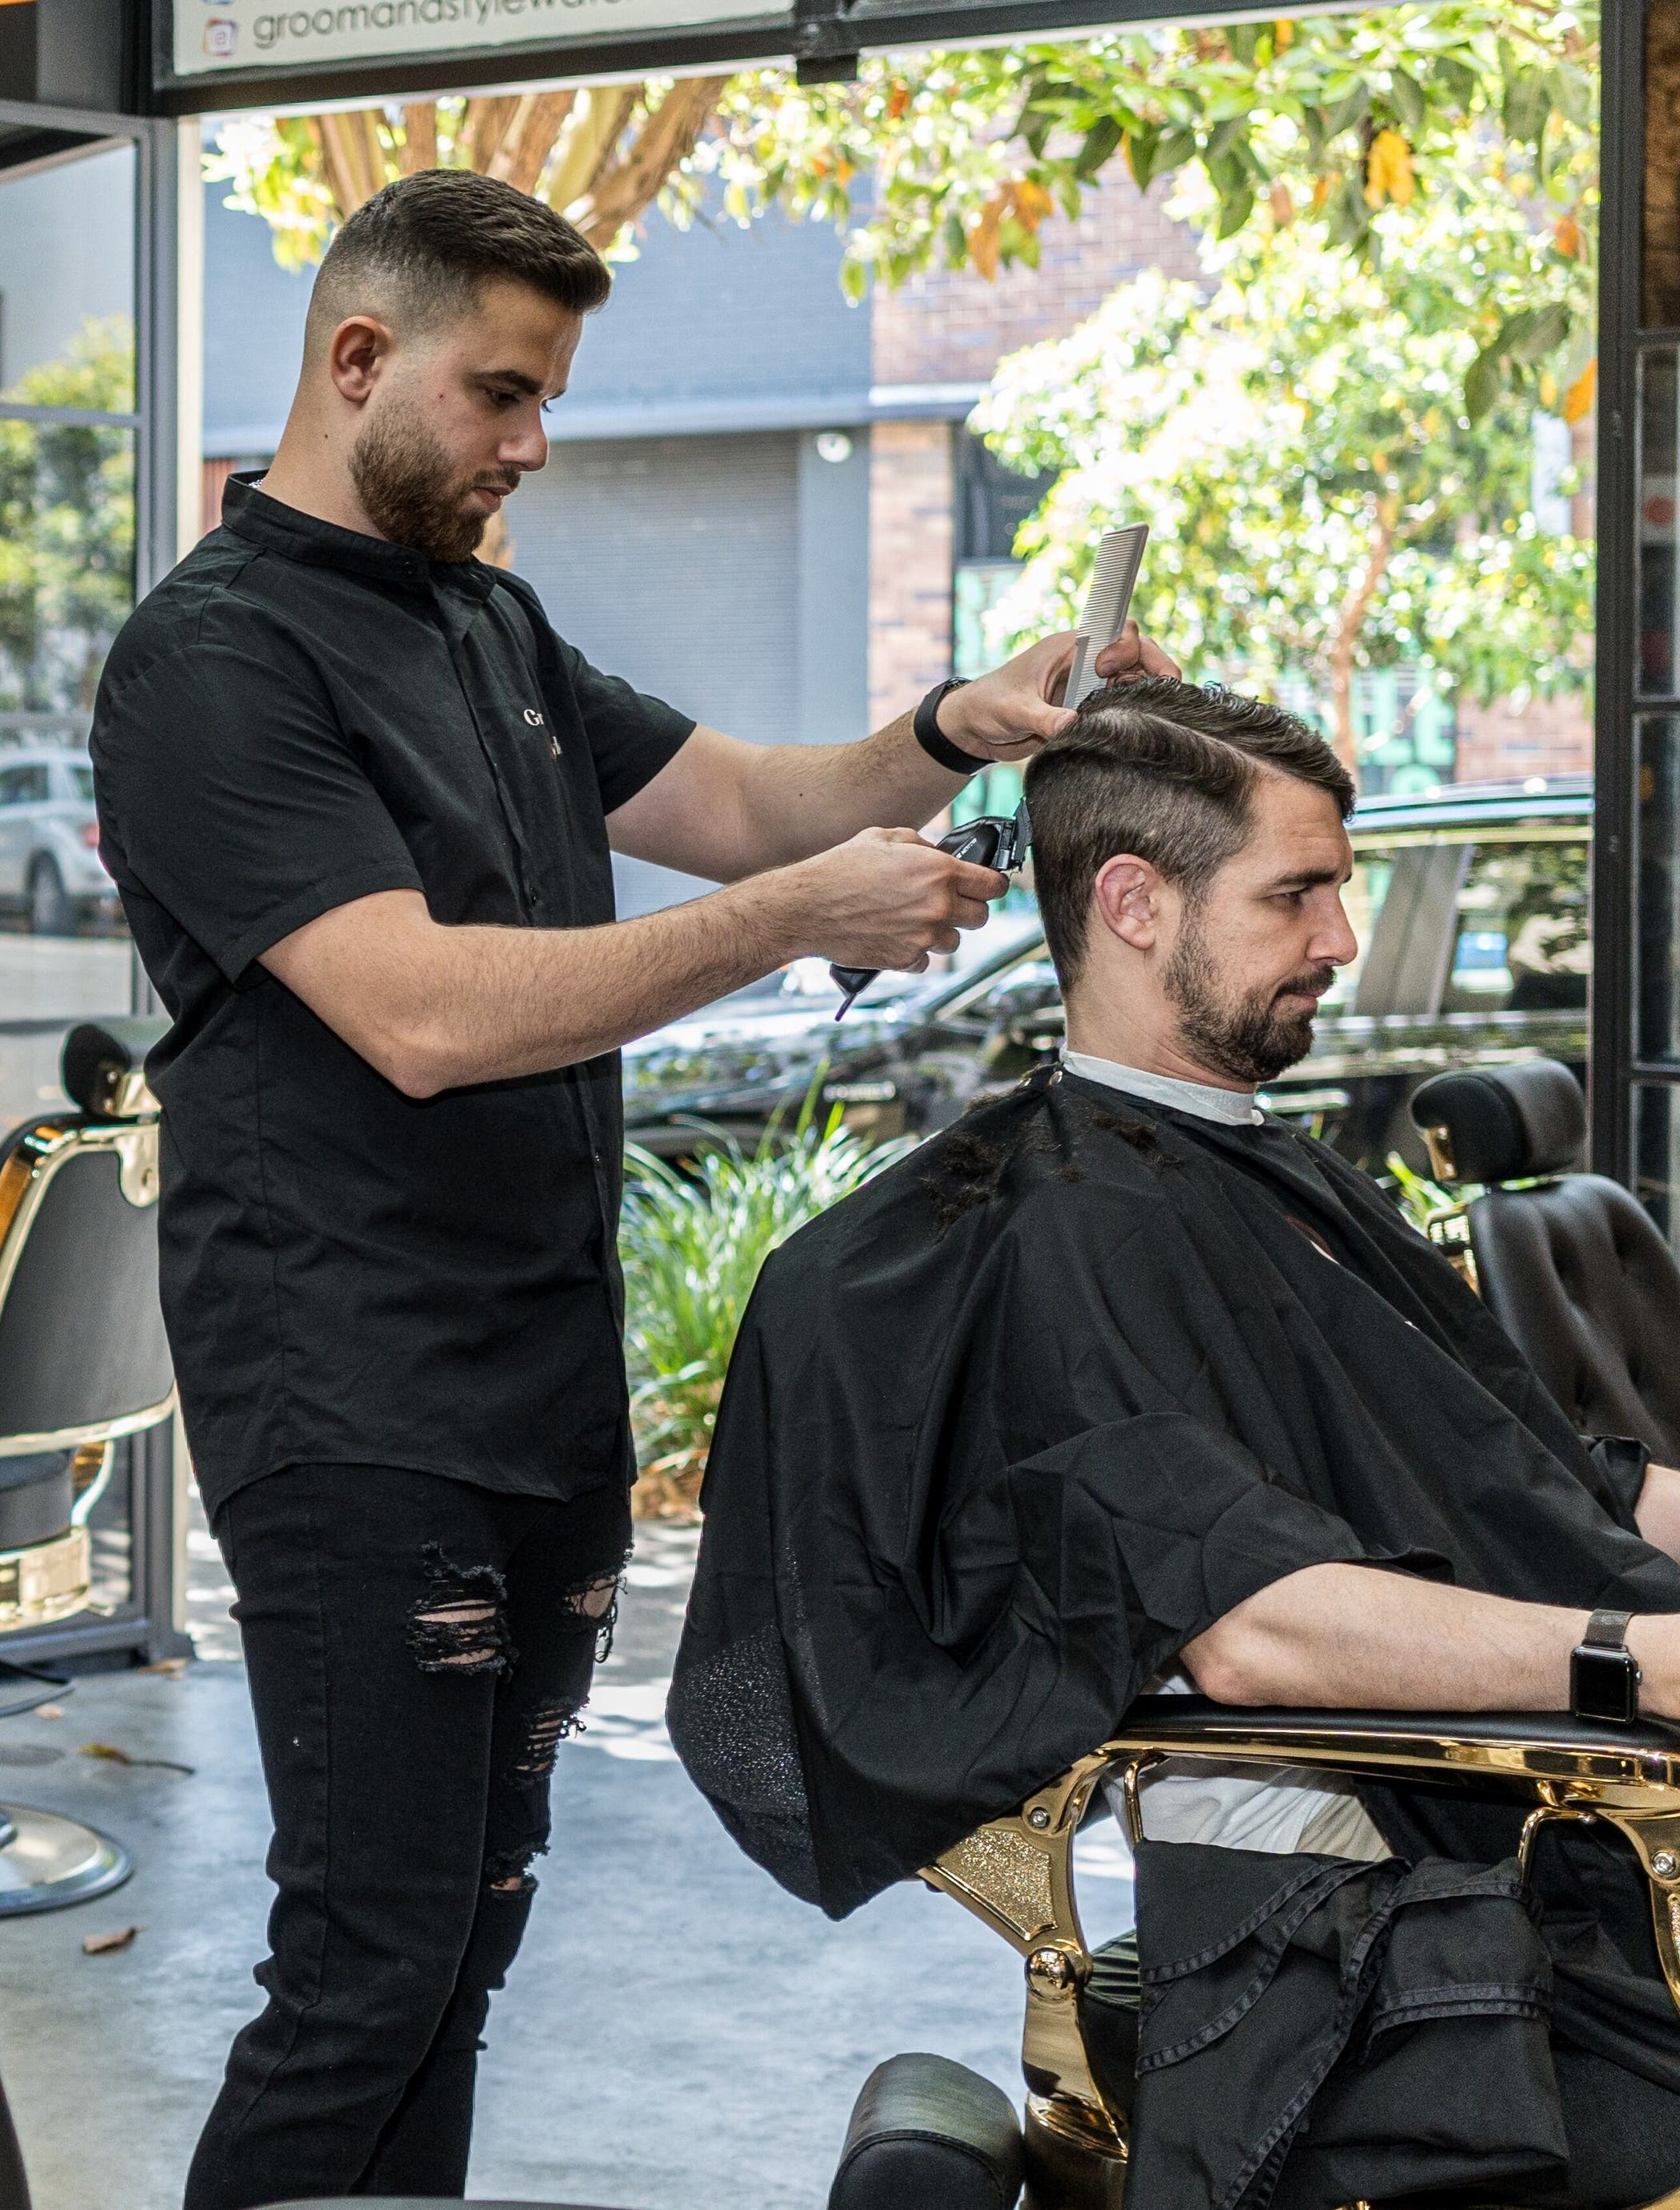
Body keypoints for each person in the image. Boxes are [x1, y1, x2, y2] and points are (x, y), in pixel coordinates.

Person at [87, 166, 1175, 2210]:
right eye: (499, 395)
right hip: (344, 1393)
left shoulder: (485, 619)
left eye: (542, 399)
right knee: (362, 1962)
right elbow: (408, 1007)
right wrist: (784, 920)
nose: (526, 444)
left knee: (463, 1946)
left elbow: (751, 797)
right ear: (353, 358)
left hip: (527, 1371)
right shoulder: (211, 663)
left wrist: (956, 721)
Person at [674, 678, 1680, 2209]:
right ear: (1135, 903)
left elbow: (1537, 1476)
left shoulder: (1257, 1173)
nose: (1341, 939)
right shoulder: (1081, 1239)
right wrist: (1633, 1659)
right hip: (1451, 1907)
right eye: (1299, 895)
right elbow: (1254, 1627)